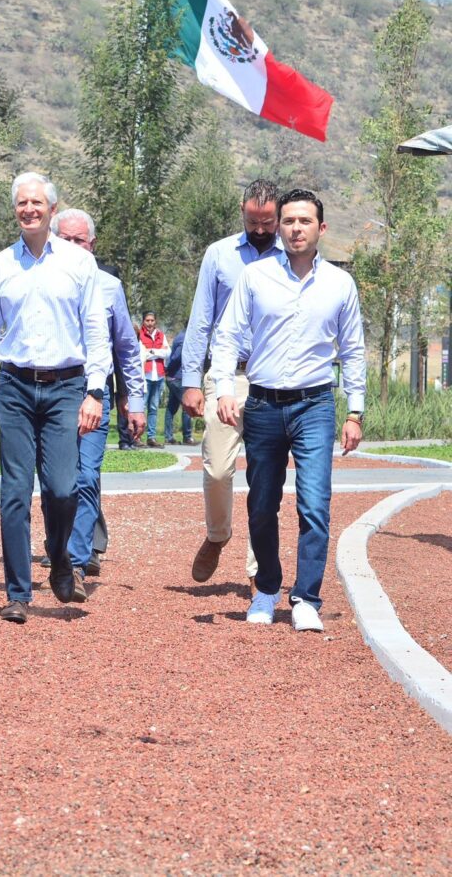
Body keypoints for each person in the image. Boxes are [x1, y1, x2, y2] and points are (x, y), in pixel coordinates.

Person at [212, 188, 366, 632]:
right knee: (262, 505)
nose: (296, 228)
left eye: (305, 221)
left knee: (315, 504)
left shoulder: (340, 284)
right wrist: (224, 388)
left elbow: (353, 352)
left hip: (315, 405)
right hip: (262, 404)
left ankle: (306, 599)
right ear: (278, 228)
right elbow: (228, 336)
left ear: (322, 228)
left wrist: (354, 412)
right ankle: (265, 590)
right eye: (289, 221)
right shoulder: (256, 277)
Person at [0, 172, 109, 625]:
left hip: (67, 386)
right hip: (15, 387)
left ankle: (61, 557)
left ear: (51, 207)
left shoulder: (79, 264)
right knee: (13, 492)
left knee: (64, 488)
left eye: (37, 202)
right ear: (15, 209)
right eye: (21, 203)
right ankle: (18, 593)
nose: (29, 209)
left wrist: (95, 391)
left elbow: (95, 332)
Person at [181, 179, 283, 593]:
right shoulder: (219, 255)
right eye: (253, 220)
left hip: (272, 378)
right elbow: (200, 319)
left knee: (264, 474)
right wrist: (190, 381)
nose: (261, 229)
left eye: (268, 221)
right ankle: (217, 534)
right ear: (242, 211)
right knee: (218, 467)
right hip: (225, 374)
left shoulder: (293, 255)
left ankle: (260, 565)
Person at [51, 209, 146, 591]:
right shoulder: (42, 281)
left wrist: (134, 400)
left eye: (79, 240)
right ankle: (62, 544)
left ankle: (75, 560)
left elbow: (126, 347)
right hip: (53, 392)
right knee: (59, 480)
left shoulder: (109, 286)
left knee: (86, 474)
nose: (73, 247)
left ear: (92, 245)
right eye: (65, 239)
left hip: (95, 393)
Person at [139, 312, 170, 448]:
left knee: (154, 407)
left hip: (158, 375)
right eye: (147, 320)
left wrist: (152, 352)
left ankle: (151, 437)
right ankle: (137, 436)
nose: (150, 323)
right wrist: (158, 352)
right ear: (143, 321)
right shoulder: (140, 335)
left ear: (155, 321)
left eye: (152, 320)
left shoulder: (160, 335)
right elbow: (142, 354)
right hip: (145, 375)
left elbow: (167, 353)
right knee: (141, 406)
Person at [164, 329, 195, 445]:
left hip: (175, 377)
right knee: (187, 406)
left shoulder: (182, 336)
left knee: (171, 408)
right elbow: (177, 357)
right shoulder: (185, 338)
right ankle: (187, 437)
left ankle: (168, 437)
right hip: (178, 377)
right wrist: (169, 369)